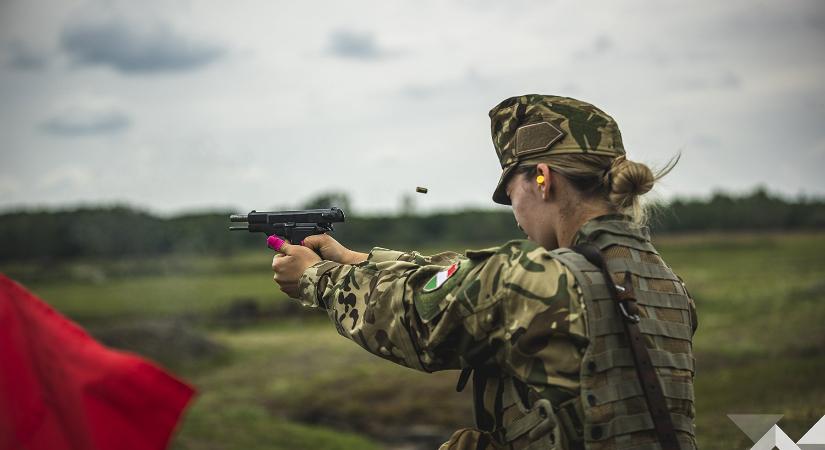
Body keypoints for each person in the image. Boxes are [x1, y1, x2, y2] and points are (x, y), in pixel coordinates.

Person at [270, 94, 698, 450]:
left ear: (543, 179)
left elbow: (413, 317)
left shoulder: (532, 278)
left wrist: (318, 279)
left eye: (510, 192)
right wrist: (356, 261)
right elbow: (463, 282)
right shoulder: (665, 283)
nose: (514, 213)